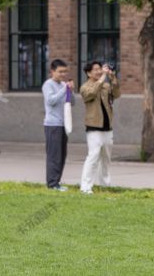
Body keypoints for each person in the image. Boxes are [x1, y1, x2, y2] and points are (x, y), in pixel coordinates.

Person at [79, 61, 121, 194]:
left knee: (106, 159)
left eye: (100, 69)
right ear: (88, 73)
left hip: (107, 128)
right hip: (94, 128)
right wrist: (103, 77)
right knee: (93, 157)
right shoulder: (85, 87)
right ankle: (85, 187)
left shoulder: (106, 85)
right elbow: (90, 93)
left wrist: (113, 77)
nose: (99, 71)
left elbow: (117, 93)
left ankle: (105, 185)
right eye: (96, 70)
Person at [42, 59, 74, 191]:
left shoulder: (63, 85)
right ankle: (52, 184)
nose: (63, 74)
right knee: (54, 155)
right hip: (52, 125)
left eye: (65, 72)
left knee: (61, 155)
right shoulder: (48, 84)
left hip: (63, 125)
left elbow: (71, 102)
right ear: (52, 71)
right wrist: (64, 89)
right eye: (60, 71)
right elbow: (51, 101)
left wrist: (70, 91)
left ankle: (57, 182)